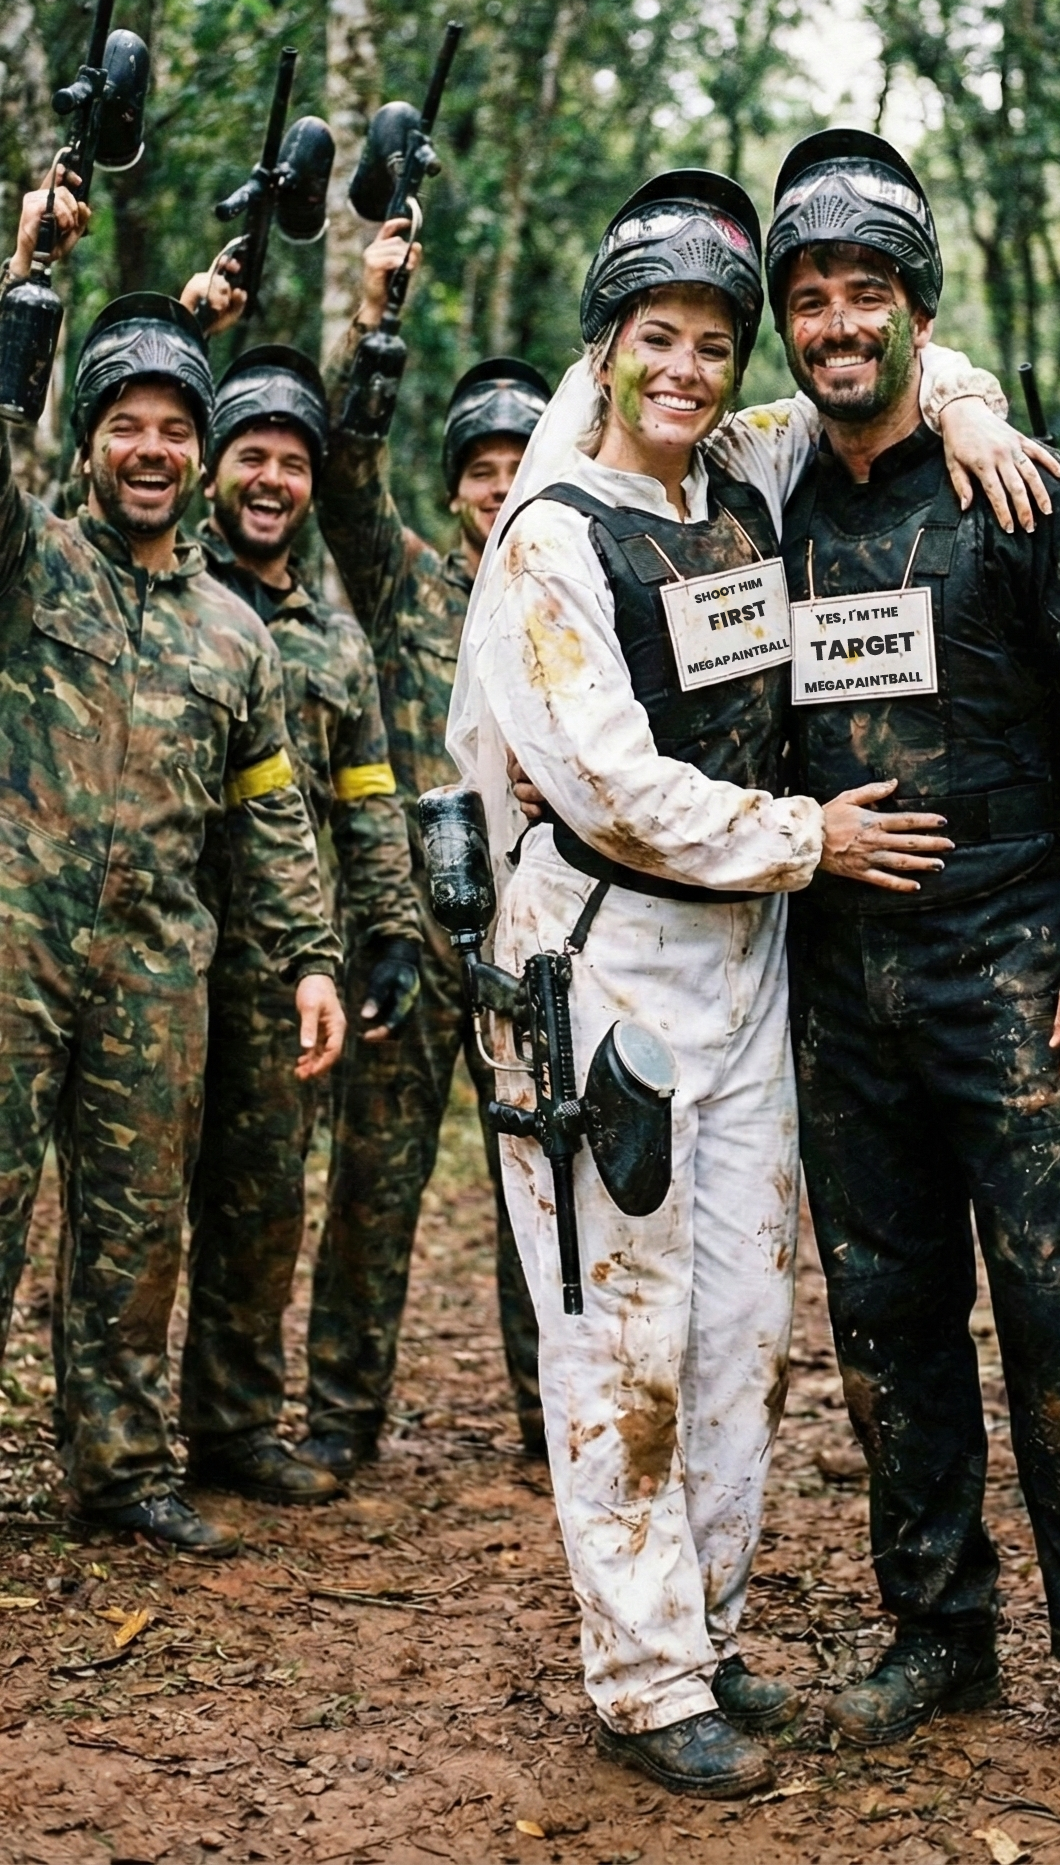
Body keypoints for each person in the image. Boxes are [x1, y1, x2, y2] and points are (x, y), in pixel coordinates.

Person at [453, 167, 1048, 1798]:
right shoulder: (550, 535)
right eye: (661, 337)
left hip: (751, 957)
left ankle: (700, 1632)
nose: (693, 371)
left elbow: (887, 370)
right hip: (606, 960)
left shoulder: (746, 472)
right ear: (608, 345)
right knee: (619, 1333)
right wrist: (808, 834)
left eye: (717, 341)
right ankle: (641, 1682)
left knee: (740, 1327)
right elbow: (611, 782)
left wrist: (980, 410)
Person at [743, 129, 1060, 1778]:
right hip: (842, 993)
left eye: (868, 294)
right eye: (812, 299)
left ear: (917, 311)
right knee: (885, 1321)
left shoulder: (1021, 488)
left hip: (1020, 977)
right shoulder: (768, 499)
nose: (839, 322)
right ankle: (939, 1629)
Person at [0, 173, 344, 1556]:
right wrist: (28, 291)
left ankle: (124, 1468)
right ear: (88, 446)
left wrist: (312, 956)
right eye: (126, 428)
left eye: (174, 432)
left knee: (138, 1228)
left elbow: (269, 822)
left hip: (160, 962)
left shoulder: (236, 634)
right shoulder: (28, 566)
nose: (152, 450)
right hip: (14, 940)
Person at [303, 228, 555, 1472]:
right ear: (455, 485)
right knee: (374, 1181)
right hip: (411, 931)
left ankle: (550, 1419)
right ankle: (342, 1424)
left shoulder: (576, 589)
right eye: (481, 470)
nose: (500, 488)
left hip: (543, 934)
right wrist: (373, 327)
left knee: (541, 1179)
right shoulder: (408, 585)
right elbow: (347, 476)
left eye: (522, 466)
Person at [165, 332, 421, 1506]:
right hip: (160, 945)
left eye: (293, 463)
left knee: (265, 1203)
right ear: (214, 465)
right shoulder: (164, 588)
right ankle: (109, 1446)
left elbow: (371, 798)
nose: (271, 480)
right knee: (138, 1205)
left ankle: (230, 1428)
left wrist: (392, 929)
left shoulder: (335, 635)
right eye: (250, 455)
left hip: (281, 965)